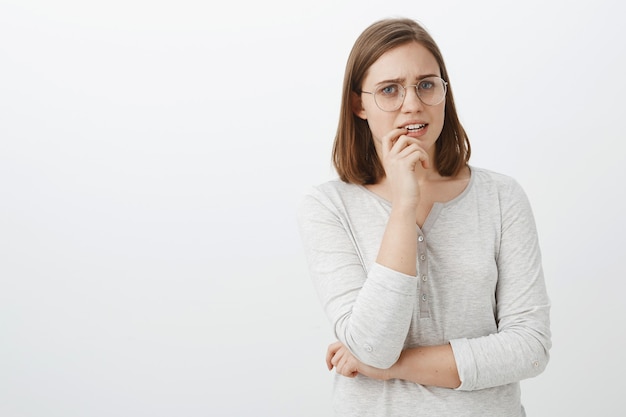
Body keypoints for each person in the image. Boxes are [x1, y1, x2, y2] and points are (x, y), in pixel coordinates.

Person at [297, 17, 551, 416]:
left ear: (444, 93)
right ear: (358, 103)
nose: (412, 103)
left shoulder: (501, 197)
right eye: (389, 90)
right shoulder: (328, 207)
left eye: (426, 85)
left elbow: (529, 348)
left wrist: (389, 368)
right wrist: (403, 206)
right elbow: (372, 345)